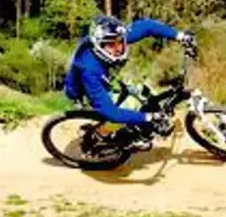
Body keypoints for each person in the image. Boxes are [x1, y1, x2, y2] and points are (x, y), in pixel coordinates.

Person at [63, 14, 195, 142]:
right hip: (85, 90)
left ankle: (137, 124)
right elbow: (111, 112)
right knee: (130, 106)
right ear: (99, 45)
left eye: (120, 42)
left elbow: (146, 26)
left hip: (105, 76)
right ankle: (100, 134)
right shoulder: (88, 69)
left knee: (143, 92)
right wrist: (149, 117)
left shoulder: (111, 36)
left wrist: (179, 36)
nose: (119, 48)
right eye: (111, 45)